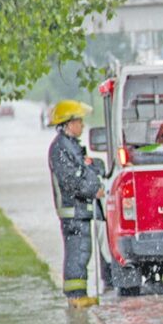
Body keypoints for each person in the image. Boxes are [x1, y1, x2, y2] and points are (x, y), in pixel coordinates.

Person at [48, 100, 105, 309]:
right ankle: (75, 296)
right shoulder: (60, 148)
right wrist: (93, 190)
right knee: (77, 251)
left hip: (80, 209)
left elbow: (85, 170)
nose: (82, 125)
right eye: (79, 121)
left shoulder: (71, 146)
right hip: (72, 210)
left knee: (83, 251)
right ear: (68, 124)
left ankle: (79, 293)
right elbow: (70, 180)